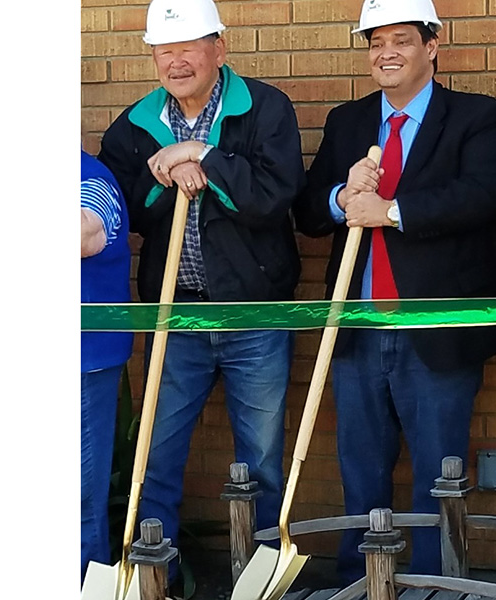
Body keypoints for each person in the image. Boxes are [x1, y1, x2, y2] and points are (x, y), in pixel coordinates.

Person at [293, 0, 496, 584]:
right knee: (360, 468)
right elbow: (308, 210)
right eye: (376, 42)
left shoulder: (476, 116)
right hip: (359, 326)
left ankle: (433, 585)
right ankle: (361, 582)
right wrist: (341, 198)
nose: (386, 52)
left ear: (431, 46)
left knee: (438, 475)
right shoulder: (347, 121)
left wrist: (390, 211)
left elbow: (480, 196)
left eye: (401, 40)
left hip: (434, 329)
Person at [97, 0, 305, 584]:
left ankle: (259, 579)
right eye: (164, 51)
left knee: (261, 463)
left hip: (254, 316)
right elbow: (126, 209)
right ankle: (154, 581)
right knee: (156, 456)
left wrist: (204, 156)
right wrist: (168, 173)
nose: (176, 61)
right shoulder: (135, 125)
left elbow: (273, 198)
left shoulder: (265, 108)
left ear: (219, 47)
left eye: (188, 47)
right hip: (176, 317)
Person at [81, 149, 133, 582]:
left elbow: (81, 236)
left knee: (78, 495)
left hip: (84, 363)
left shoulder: (91, 179)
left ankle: (84, 583)